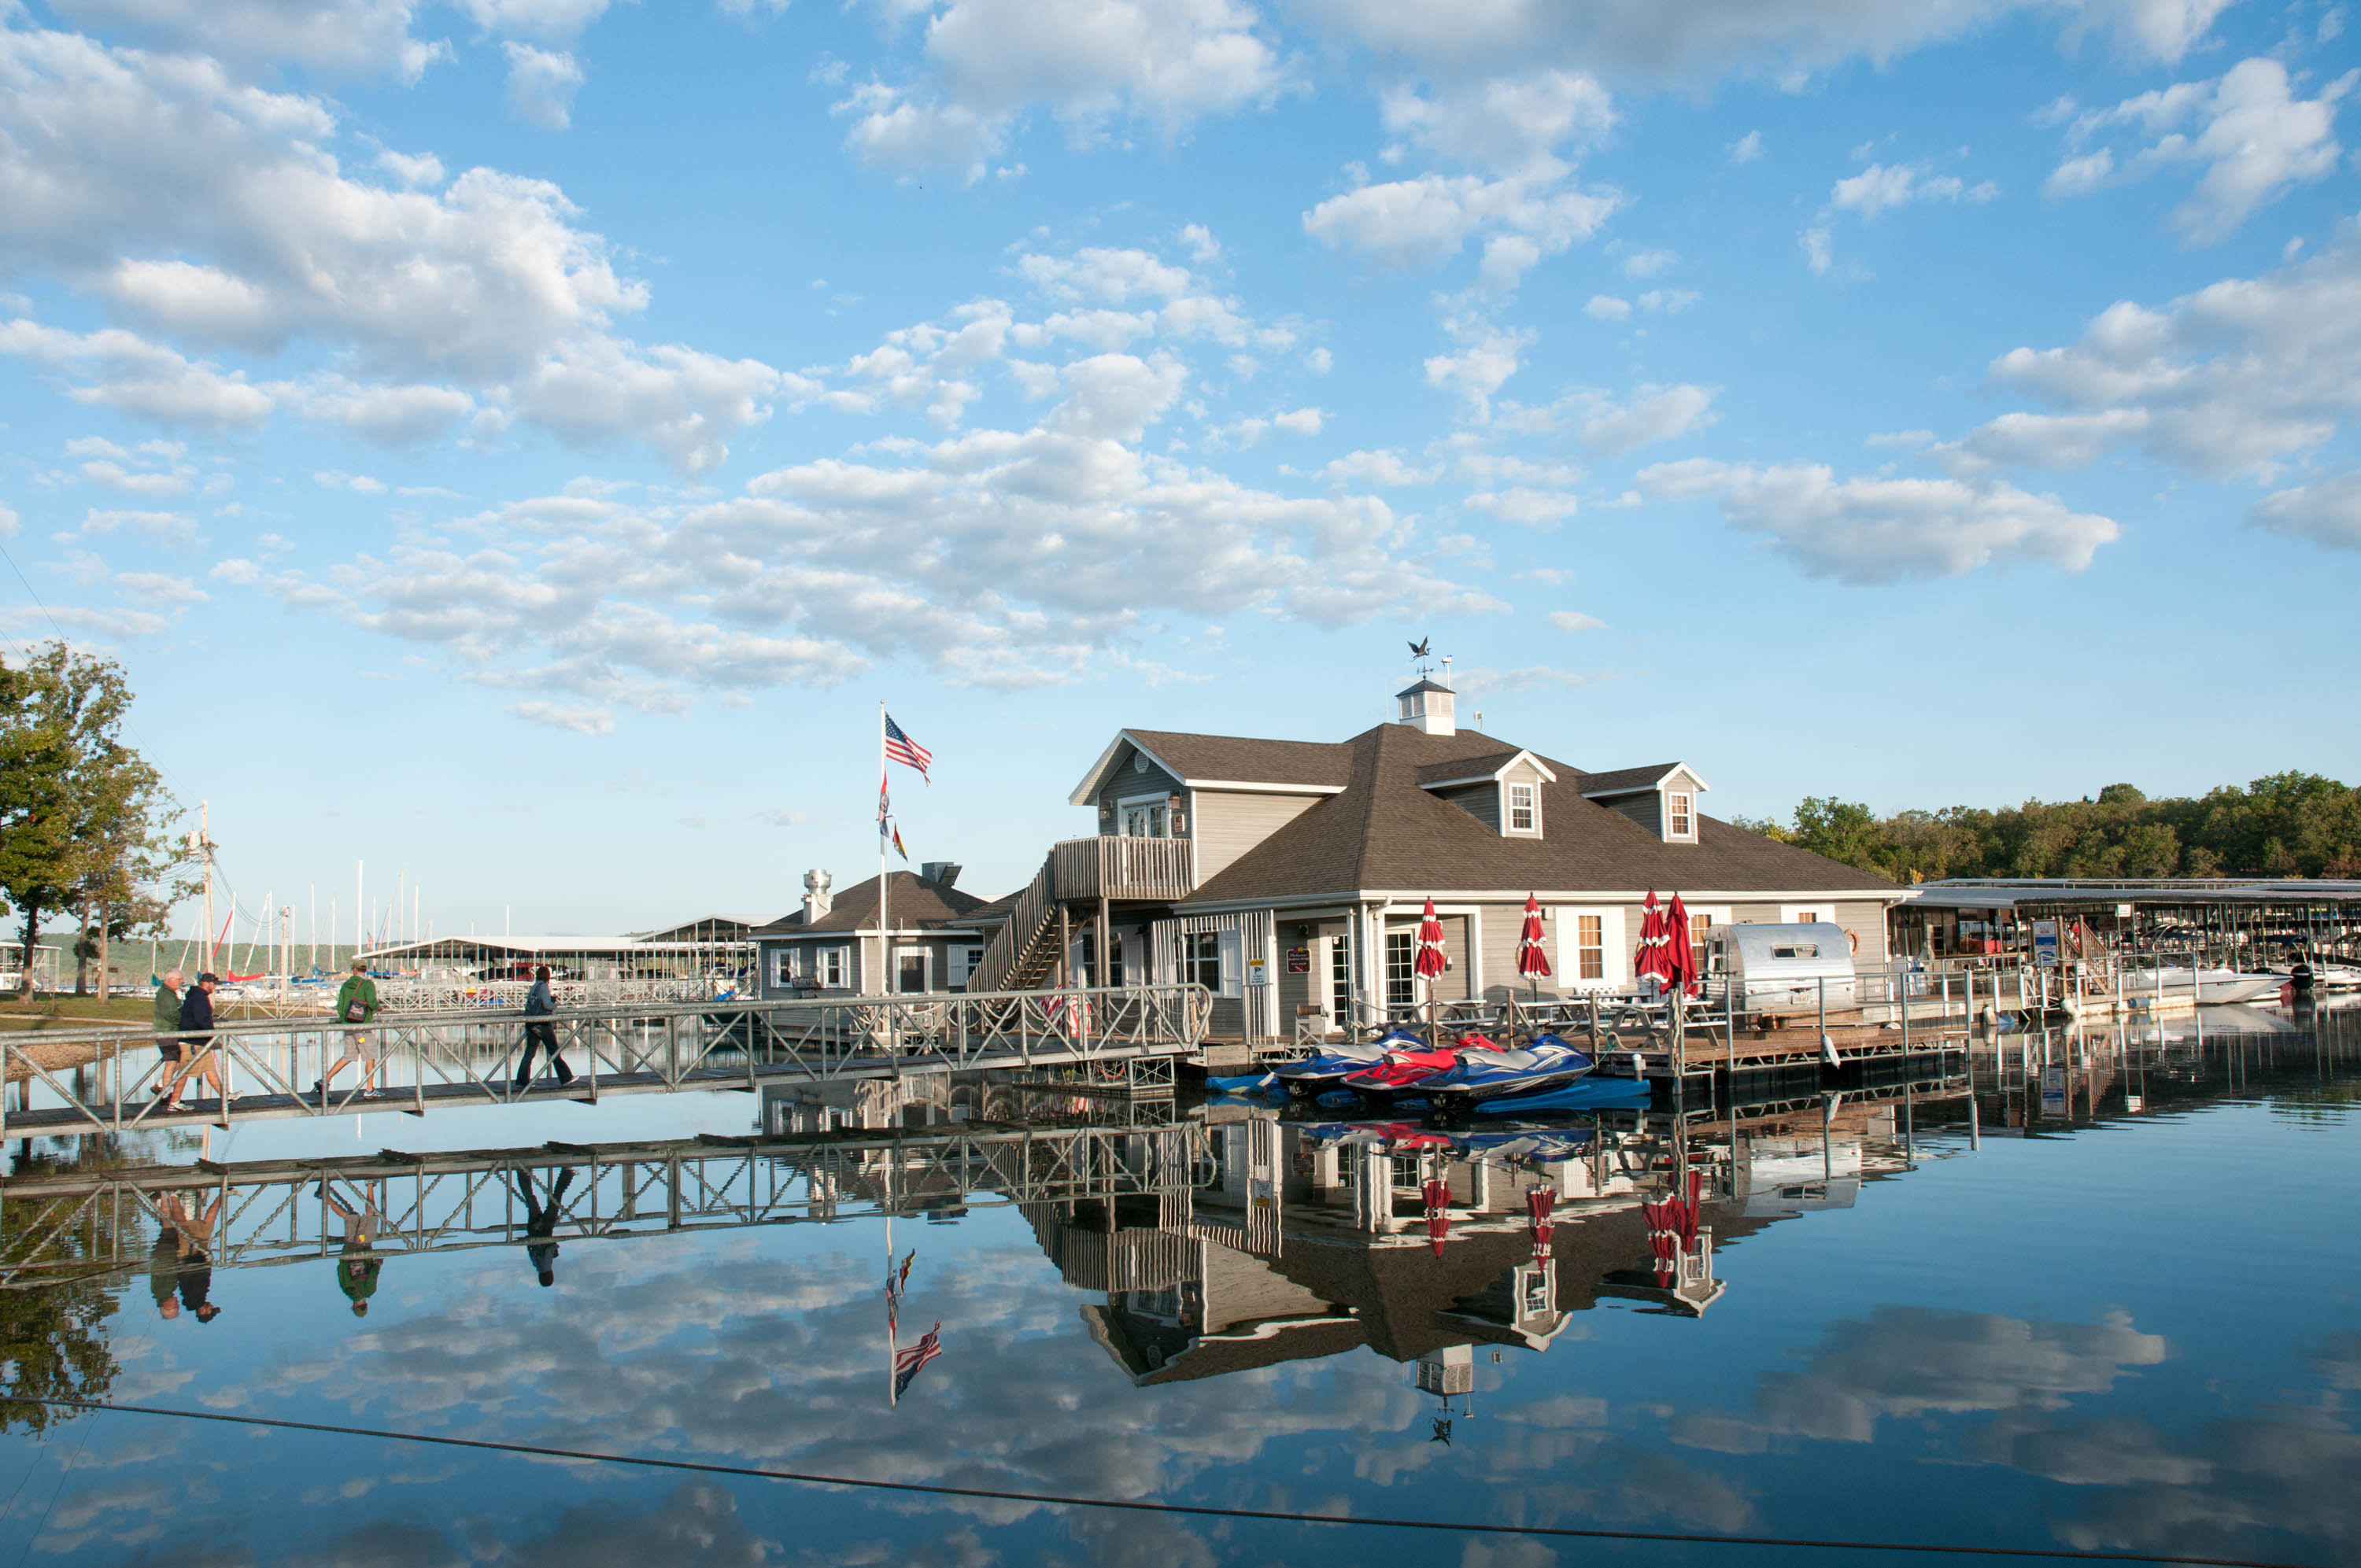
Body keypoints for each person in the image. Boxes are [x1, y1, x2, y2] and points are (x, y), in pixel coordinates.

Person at [320, 958, 383, 1100]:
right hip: (362, 1028)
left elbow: (340, 1006)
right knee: (370, 1056)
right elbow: (372, 1003)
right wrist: (378, 1008)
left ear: (354, 970)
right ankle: (369, 1089)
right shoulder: (368, 984)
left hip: (348, 1025)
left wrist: (345, 1021)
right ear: (365, 970)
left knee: (348, 1056)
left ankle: (325, 1080)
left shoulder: (346, 985)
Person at [157, 1192, 223, 1323]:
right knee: (203, 1225)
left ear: (203, 1312)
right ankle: (222, 1196)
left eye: (211, 1309)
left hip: (193, 1257)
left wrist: (203, 1262)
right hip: (190, 1258)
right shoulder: (193, 1300)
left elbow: (197, 1279)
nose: (211, 1306)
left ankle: (223, 1195)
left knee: (191, 1225)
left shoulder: (196, 1300)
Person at [321, 1182, 383, 1317]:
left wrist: (378, 1264)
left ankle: (370, 1186)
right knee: (351, 1218)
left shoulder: (368, 1291)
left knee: (370, 1217)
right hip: (348, 1249)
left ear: (365, 1304)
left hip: (362, 1244)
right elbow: (339, 1270)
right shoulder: (347, 1290)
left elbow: (373, 1274)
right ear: (354, 1306)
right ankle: (326, 1197)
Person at [168, 972, 227, 1112]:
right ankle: (174, 1102)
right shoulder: (199, 998)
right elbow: (201, 1019)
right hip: (192, 1042)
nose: (214, 988)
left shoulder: (197, 996)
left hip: (199, 1042)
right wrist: (212, 1034)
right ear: (206, 984)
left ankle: (225, 1098)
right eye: (213, 985)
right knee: (185, 1072)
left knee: (210, 1069)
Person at [513, 1165, 575, 1286]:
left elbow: (549, 1249)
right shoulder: (536, 1265)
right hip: (533, 1229)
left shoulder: (546, 1266)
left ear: (550, 1276)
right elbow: (530, 1248)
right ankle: (523, 1173)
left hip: (545, 1229)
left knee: (556, 1200)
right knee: (531, 1199)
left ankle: (567, 1173)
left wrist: (556, 1248)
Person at [513, 965, 572, 1090]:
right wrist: (555, 1006)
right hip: (542, 1023)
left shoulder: (535, 986)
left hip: (531, 1022)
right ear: (548, 976)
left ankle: (521, 1081)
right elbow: (546, 1004)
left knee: (529, 1053)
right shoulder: (544, 986)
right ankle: (566, 1078)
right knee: (554, 1051)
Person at [151, 969, 183, 1099]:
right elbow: (172, 1014)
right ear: (171, 980)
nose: (182, 982)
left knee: (177, 1061)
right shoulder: (166, 995)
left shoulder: (169, 993)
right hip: (167, 1032)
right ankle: (165, 1094)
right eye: (179, 979)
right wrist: (184, 1021)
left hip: (169, 1031)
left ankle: (161, 1086)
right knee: (171, 1062)